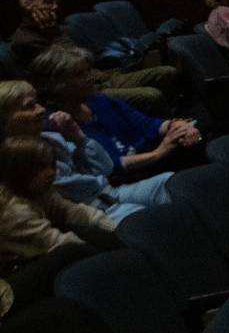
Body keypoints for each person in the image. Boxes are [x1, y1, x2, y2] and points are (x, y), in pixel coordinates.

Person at [0, 81, 171, 225]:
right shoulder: (12, 160)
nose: (41, 110)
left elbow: (105, 168)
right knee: (152, 221)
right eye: (29, 106)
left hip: (111, 193)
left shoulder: (51, 137)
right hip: (88, 214)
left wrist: (79, 137)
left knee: (172, 182)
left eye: (37, 103)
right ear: (5, 119)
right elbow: (73, 193)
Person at [30, 43, 202, 176]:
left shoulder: (100, 101)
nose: (90, 78)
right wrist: (160, 152)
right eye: (80, 74)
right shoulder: (57, 126)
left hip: (151, 159)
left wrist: (176, 125)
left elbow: (147, 124)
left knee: (200, 134)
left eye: (88, 71)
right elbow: (111, 166)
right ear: (56, 85)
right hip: (130, 177)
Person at [10, 0, 178, 113]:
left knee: (167, 72)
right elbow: (74, 63)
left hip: (100, 77)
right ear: (27, 5)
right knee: (151, 95)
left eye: (56, 2)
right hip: (83, 91)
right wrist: (53, 33)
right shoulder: (24, 41)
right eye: (48, 2)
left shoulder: (53, 29)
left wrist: (53, 32)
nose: (55, 7)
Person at [0, 137, 122, 306]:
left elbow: (69, 210)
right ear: (19, 171)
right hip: (15, 269)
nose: (51, 172)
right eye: (41, 167)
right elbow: (54, 242)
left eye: (51, 165)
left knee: (96, 232)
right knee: (73, 250)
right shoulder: (14, 213)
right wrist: (107, 260)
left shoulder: (39, 189)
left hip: (40, 247)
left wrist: (110, 226)